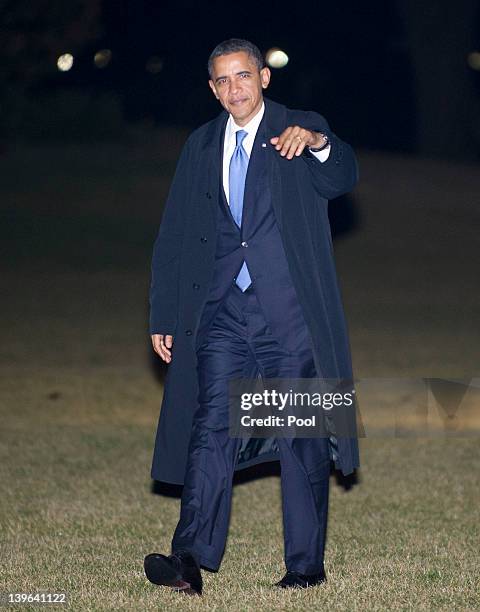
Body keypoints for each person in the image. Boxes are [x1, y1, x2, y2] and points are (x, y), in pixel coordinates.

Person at [144, 38, 360, 596]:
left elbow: (341, 175)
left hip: (288, 315)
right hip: (221, 314)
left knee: (300, 434)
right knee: (210, 428)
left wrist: (316, 143)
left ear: (263, 77)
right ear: (212, 87)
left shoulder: (297, 127)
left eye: (243, 76)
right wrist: (164, 312)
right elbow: (173, 234)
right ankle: (188, 558)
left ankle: (305, 566)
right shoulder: (200, 145)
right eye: (222, 81)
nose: (233, 89)